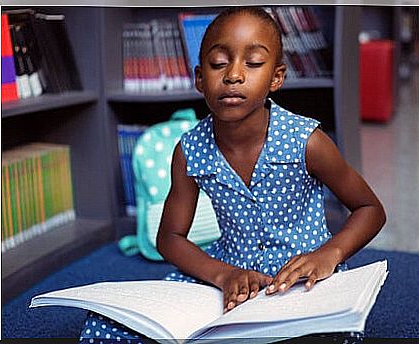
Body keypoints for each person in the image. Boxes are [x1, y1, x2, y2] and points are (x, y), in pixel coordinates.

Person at [79, 6, 386, 343]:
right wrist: (223, 275)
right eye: (218, 63)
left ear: (276, 77)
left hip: (303, 282)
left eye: (253, 63)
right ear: (199, 78)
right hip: (228, 277)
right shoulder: (189, 150)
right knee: (106, 327)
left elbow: (370, 210)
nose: (234, 75)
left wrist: (329, 255)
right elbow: (169, 238)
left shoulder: (308, 142)